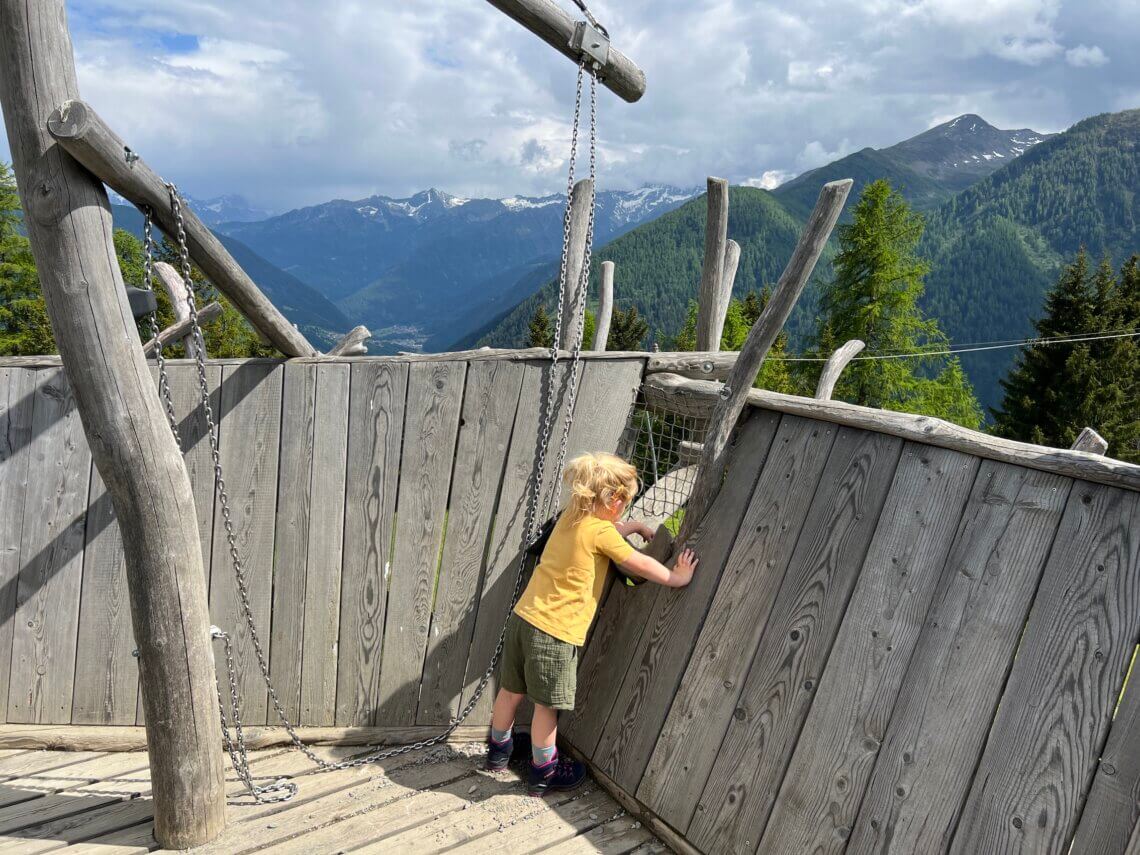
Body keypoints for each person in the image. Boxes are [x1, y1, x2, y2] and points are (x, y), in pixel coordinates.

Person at [485, 451, 700, 796]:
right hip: (555, 633)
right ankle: (544, 772)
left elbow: (607, 530)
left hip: (524, 619)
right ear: (612, 500)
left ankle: (497, 754)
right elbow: (637, 563)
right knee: (545, 708)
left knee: (510, 692)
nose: (625, 508)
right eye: (624, 502)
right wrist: (676, 577)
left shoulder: (572, 517)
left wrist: (632, 527)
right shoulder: (601, 532)